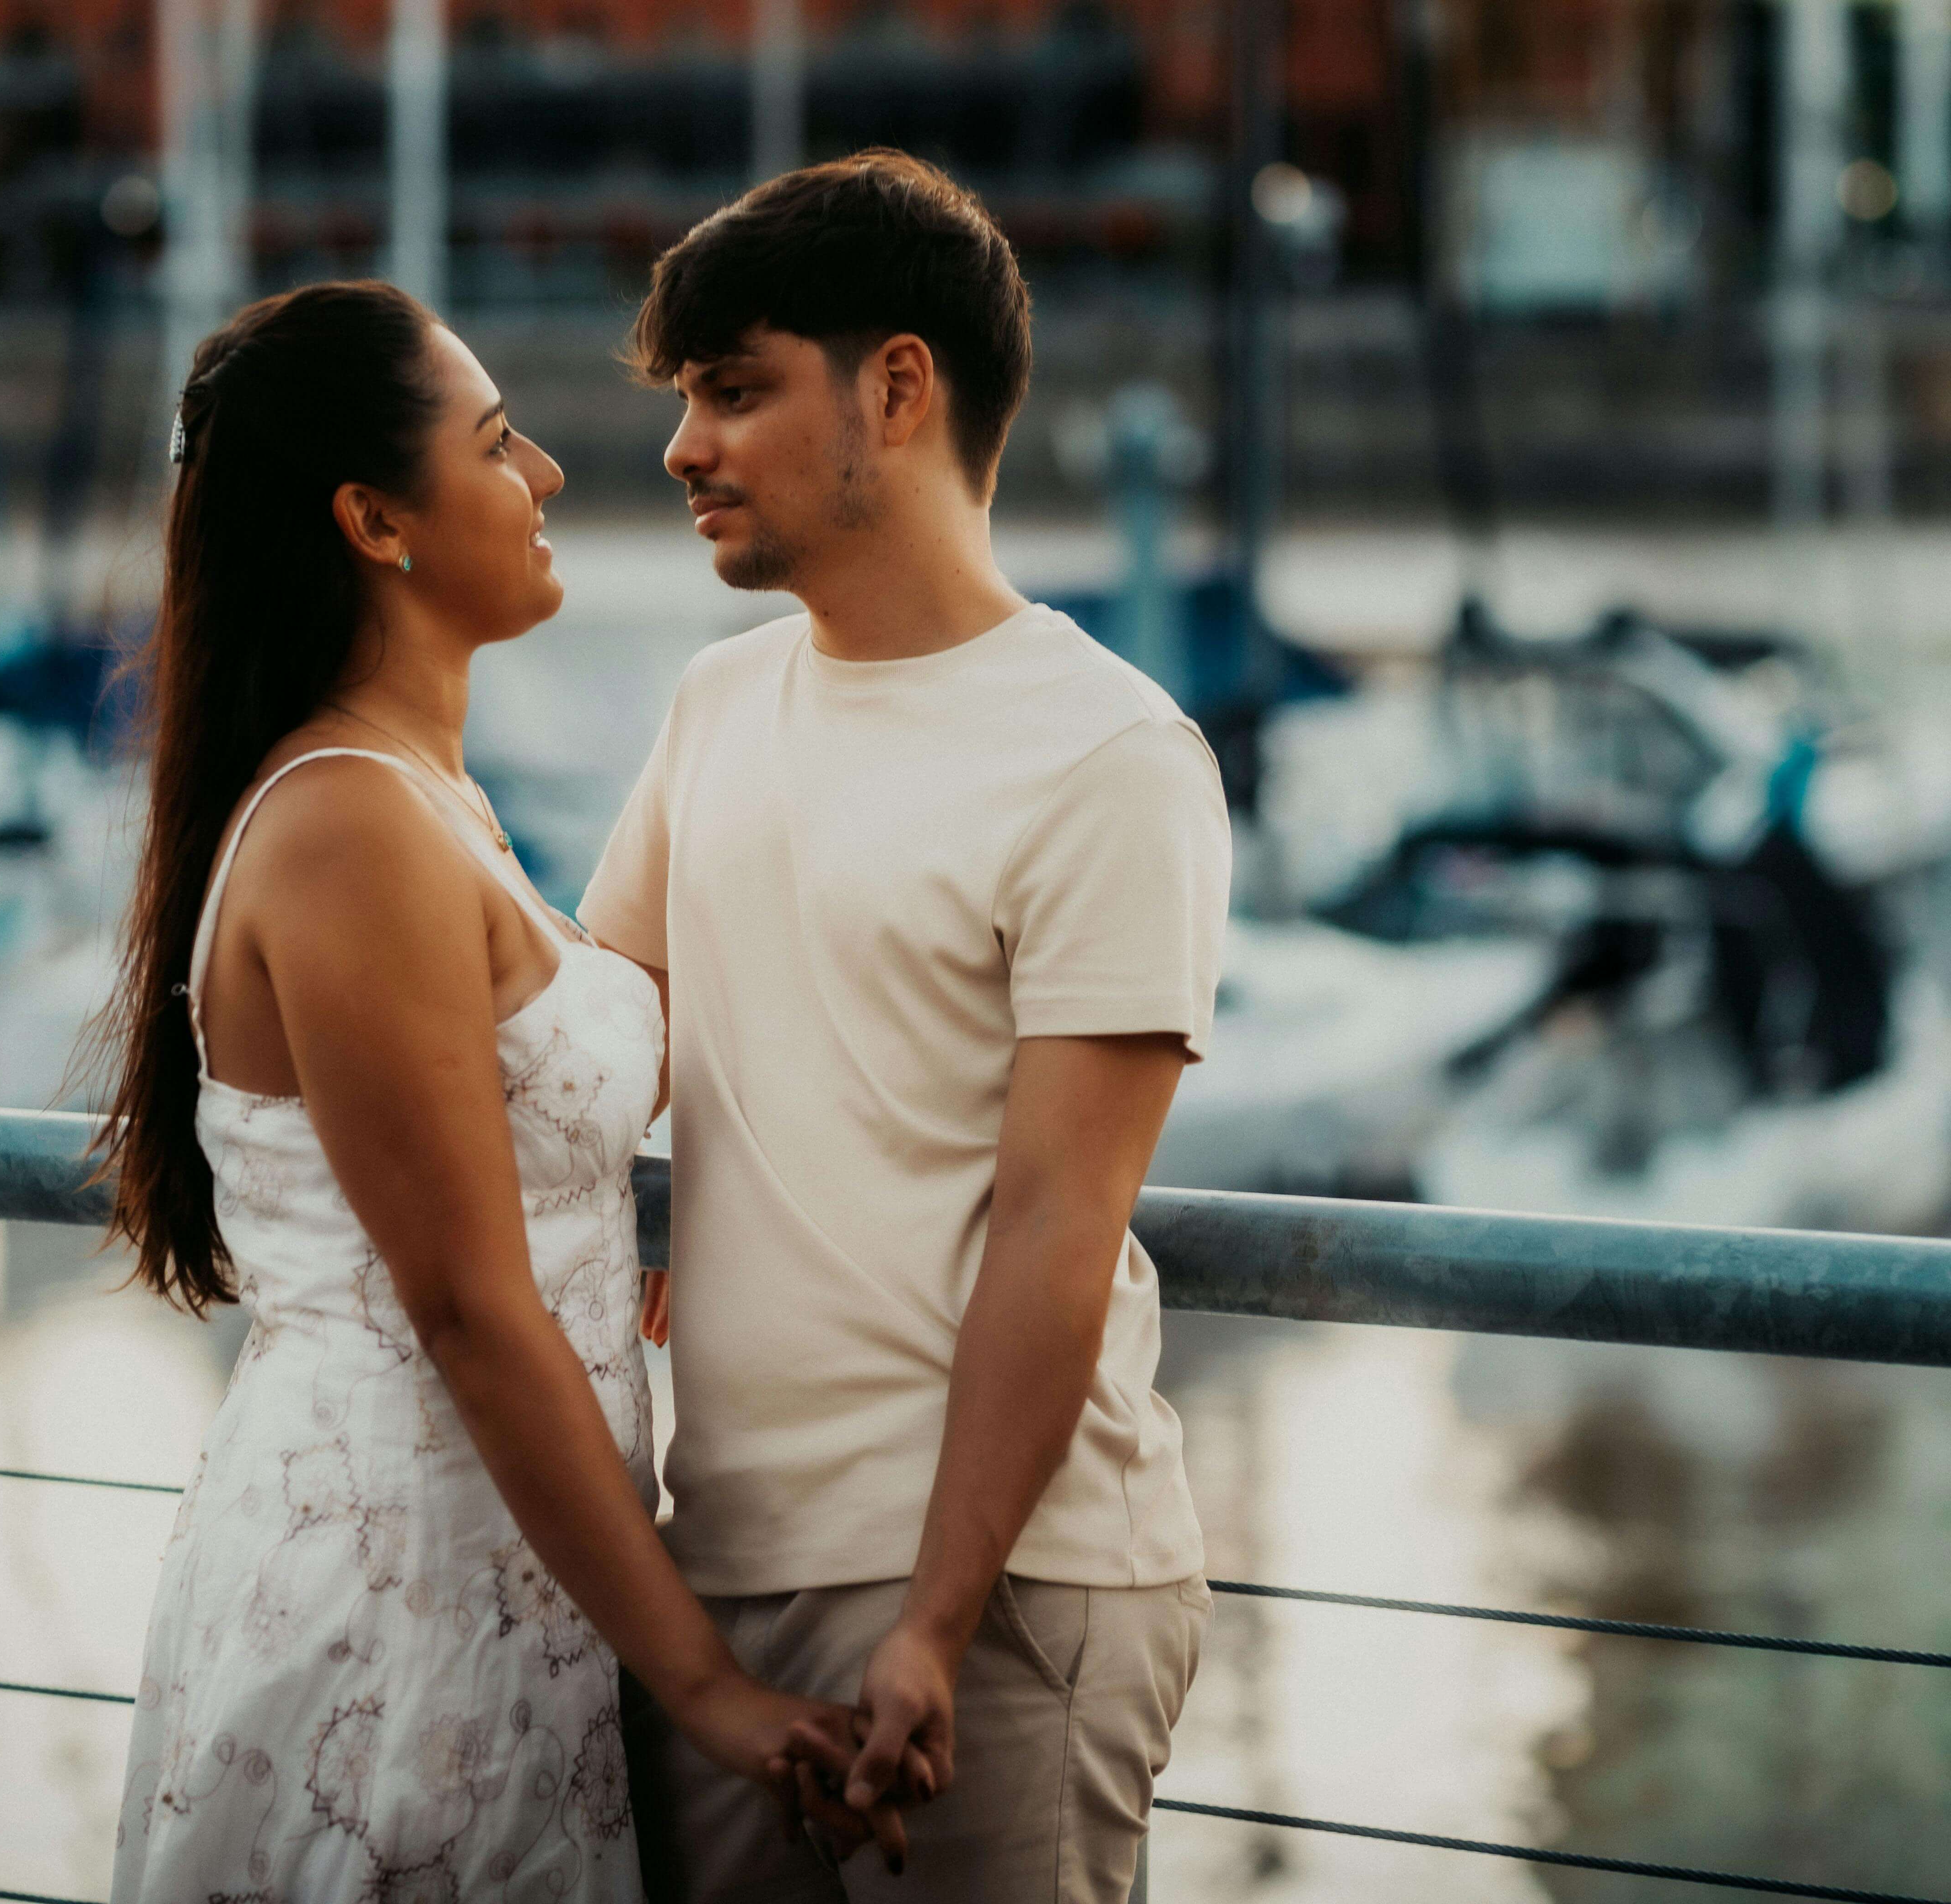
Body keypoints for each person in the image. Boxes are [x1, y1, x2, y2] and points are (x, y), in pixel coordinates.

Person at [97, 280, 889, 1902]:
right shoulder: (350, 828)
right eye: (497, 441)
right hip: (403, 1582)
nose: (546, 477)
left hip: (507, 1563)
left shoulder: (425, 797)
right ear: (376, 521)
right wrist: (712, 1690)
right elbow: (469, 1305)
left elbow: (563, 1098)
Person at [581, 151, 1228, 1902]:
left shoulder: (1108, 757)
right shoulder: (716, 706)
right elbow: (591, 1034)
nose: (683, 447)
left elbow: (1057, 1226)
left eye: (733, 390)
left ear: (897, 386)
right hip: (715, 1567)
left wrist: (937, 1625)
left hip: (1000, 1588)